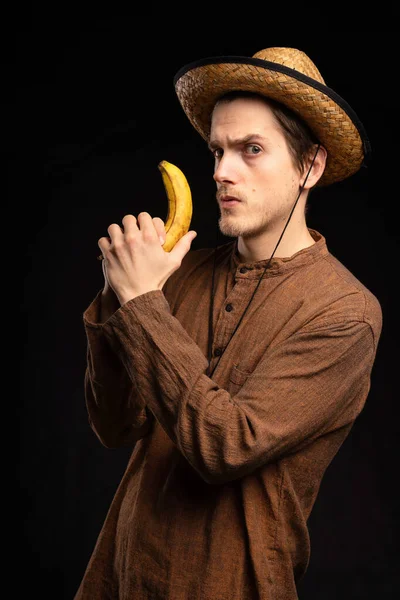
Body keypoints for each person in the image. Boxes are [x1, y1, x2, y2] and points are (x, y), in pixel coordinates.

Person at [74, 47, 382, 599]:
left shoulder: (345, 313)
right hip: (120, 577)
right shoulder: (180, 271)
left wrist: (142, 301)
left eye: (251, 150)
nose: (220, 171)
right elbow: (114, 427)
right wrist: (117, 293)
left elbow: (225, 448)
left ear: (310, 165)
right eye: (217, 150)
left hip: (232, 584)